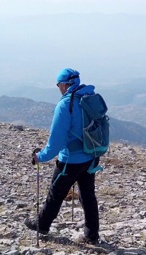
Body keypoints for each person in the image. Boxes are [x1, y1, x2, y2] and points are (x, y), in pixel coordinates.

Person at [24, 68, 100, 244]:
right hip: (90, 156)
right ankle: (92, 234)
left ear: (65, 85)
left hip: (70, 160)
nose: (58, 88)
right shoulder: (88, 98)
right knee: (88, 195)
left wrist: (40, 157)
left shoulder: (66, 105)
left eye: (59, 85)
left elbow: (56, 141)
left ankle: (41, 225)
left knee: (56, 193)